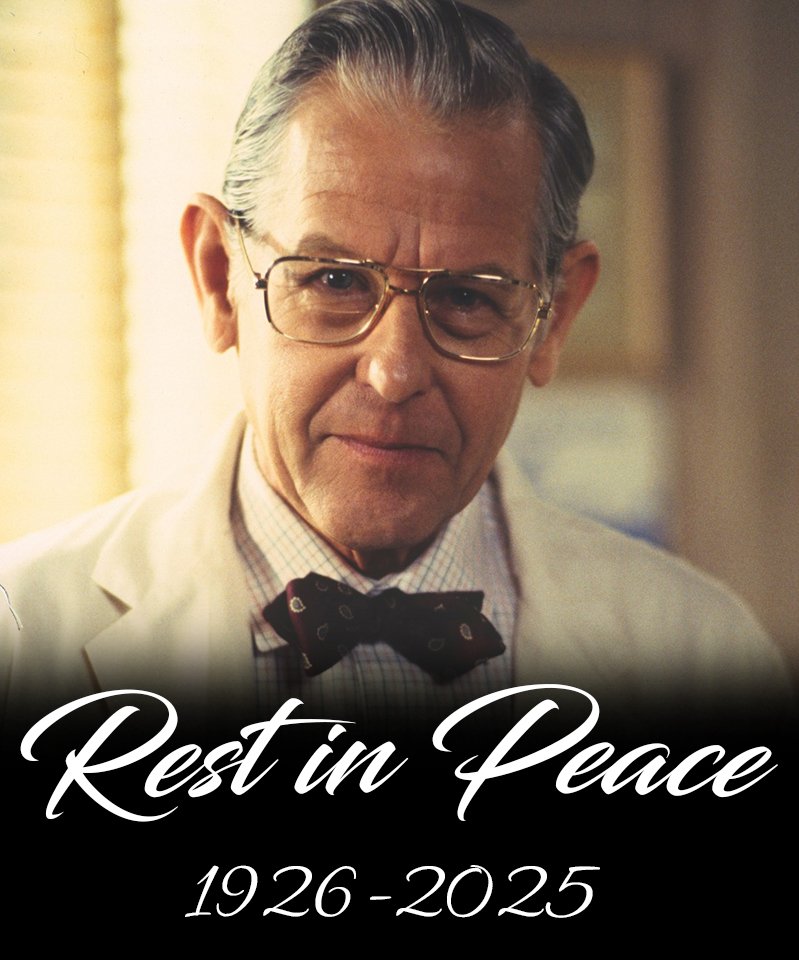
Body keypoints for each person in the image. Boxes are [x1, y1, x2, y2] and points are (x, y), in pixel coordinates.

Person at [0, 0, 790, 734]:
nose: (394, 372)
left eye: (466, 297)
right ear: (218, 278)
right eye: (332, 281)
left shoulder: (704, 650)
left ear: (553, 317)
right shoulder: (23, 631)